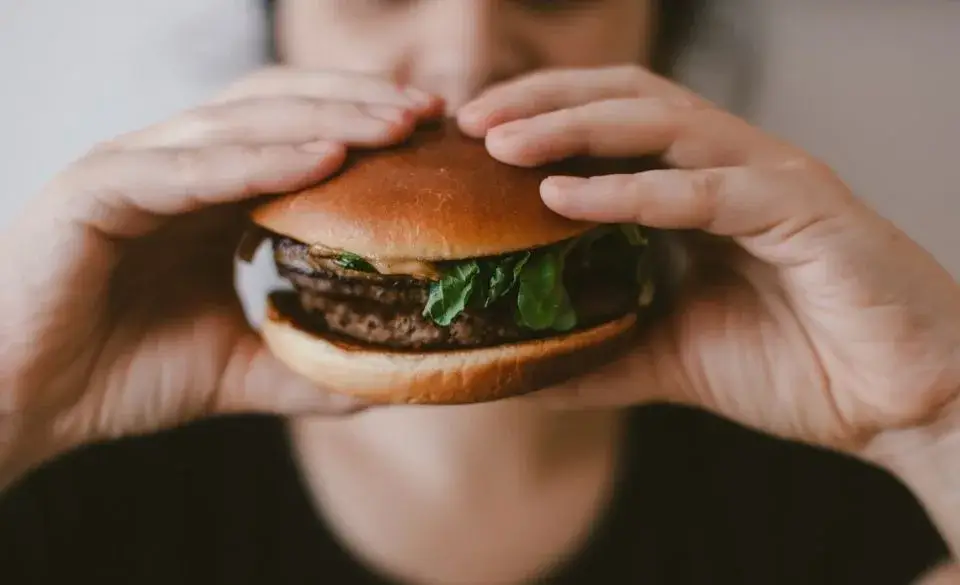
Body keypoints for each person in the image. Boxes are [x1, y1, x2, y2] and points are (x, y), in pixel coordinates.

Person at [0, 0, 957, 583]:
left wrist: (939, 424)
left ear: (655, 32)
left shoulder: (837, 488)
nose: (465, 58)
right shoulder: (74, 482)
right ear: (278, 29)